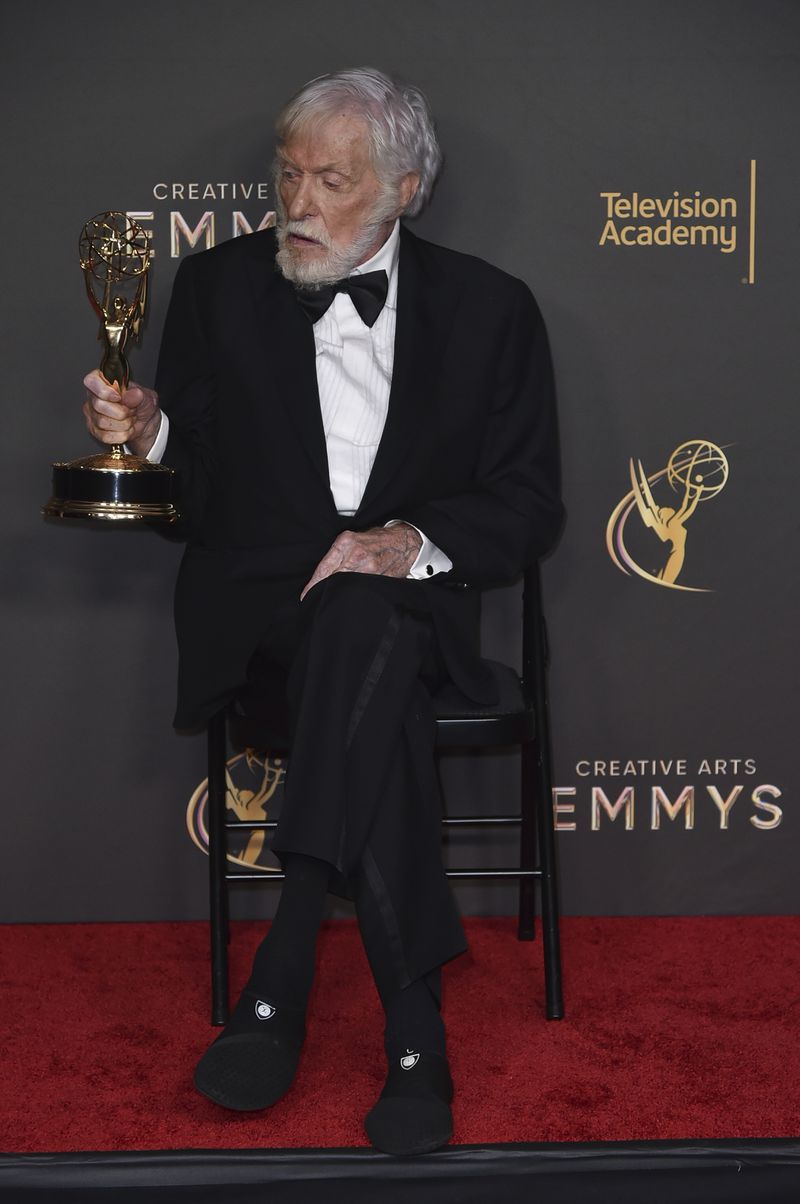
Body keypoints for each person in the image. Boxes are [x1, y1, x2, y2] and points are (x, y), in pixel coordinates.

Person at [82, 66, 563, 1157]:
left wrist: (406, 545)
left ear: (404, 188)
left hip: (408, 631)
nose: (296, 203)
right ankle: (411, 1033)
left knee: (366, 616)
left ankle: (285, 963)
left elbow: (529, 503)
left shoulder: (492, 311)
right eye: (287, 174)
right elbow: (190, 501)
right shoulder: (213, 291)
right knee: (355, 637)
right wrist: (149, 435)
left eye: (330, 180)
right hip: (262, 636)